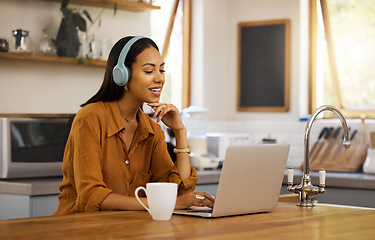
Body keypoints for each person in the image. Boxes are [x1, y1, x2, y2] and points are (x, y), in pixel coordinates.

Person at [54, 36, 215, 215]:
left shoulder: (152, 130)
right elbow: (92, 195)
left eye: (162, 70)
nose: (160, 79)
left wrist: (179, 131)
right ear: (122, 75)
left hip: (126, 229)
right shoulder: (90, 118)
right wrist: (171, 203)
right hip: (79, 229)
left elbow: (179, 192)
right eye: (149, 71)